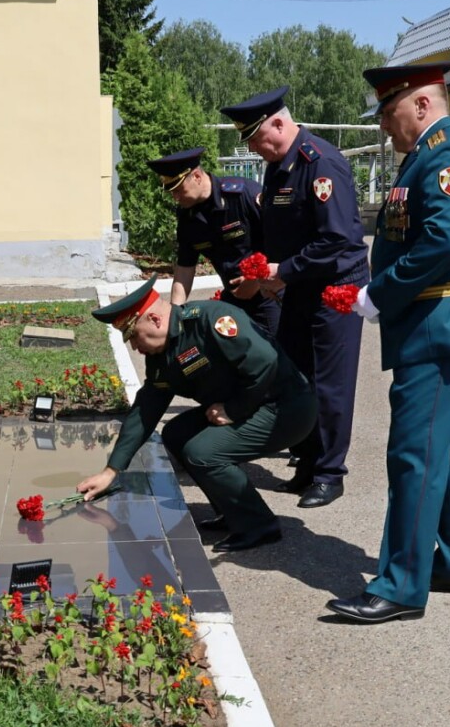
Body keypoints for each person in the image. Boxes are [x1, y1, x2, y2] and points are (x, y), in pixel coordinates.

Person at [325, 62, 450, 624]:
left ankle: (401, 587)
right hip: (433, 323)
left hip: (438, 326)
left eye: (389, 111)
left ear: (422, 105)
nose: (383, 124)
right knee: (446, 448)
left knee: (415, 455)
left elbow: (443, 242)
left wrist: (379, 294)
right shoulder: (424, 156)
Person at [76, 276, 317, 553]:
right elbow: (146, 409)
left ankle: (258, 525)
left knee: (203, 452)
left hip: (287, 407)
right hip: (254, 406)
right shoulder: (161, 354)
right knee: (176, 434)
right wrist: (111, 471)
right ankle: (232, 511)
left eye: (133, 335)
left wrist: (234, 410)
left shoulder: (211, 320)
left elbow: (265, 362)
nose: (134, 347)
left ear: (155, 319)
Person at [219, 87, 368, 509]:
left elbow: (336, 241)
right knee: (297, 379)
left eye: (255, 138)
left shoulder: (320, 163)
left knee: (330, 385)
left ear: (279, 124)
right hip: (300, 287)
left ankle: (329, 474)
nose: (252, 147)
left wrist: (281, 271)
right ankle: (307, 462)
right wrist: (268, 270)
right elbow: (279, 232)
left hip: (334, 290)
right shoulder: (278, 168)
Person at [146, 147, 282, 340]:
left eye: (179, 189)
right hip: (233, 300)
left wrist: (255, 281)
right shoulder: (187, 217)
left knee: (279, 354)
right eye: (171, 192)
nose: (175, 197)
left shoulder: (243, 195)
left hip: (269, 295)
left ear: (197, 177)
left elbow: (281, 242)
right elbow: (184, 269)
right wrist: (174, 315)